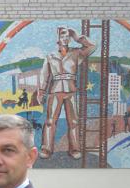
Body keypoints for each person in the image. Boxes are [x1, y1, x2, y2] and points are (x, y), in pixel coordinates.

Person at [39, 27, 96, 159]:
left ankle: (75, 149)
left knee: (74, 121)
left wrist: (78, 37)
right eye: (63, 35)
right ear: (57, 38)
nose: (65, 38)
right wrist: (41, 91)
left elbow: (93, 46)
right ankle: (46, 149)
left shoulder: (76, 54)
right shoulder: (50, 56)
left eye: (68, 36)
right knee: (50, 121)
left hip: (71, 90)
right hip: (55, 90)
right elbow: (44, 75)